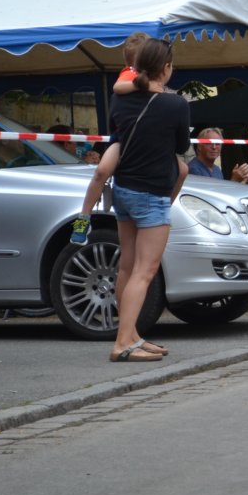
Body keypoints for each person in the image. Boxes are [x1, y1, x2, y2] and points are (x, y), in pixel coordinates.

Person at [105, 37, 191, 362]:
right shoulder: (176, 105)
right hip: (152, 193)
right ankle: (122, 344)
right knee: (145, 270)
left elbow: (116, 133)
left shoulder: (120, 99)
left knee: (127, 267)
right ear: (166, 68)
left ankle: (130, 335)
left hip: (124, 189)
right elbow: (181, 146)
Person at [70, 38, 188, 247]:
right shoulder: (130, 75)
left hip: (125, 157)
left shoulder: (131, 86)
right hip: (121, 143)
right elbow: (117, 88)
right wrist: (144, 85)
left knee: (183, 170)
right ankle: (84, 216)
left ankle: (162, 212)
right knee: (101, 172)